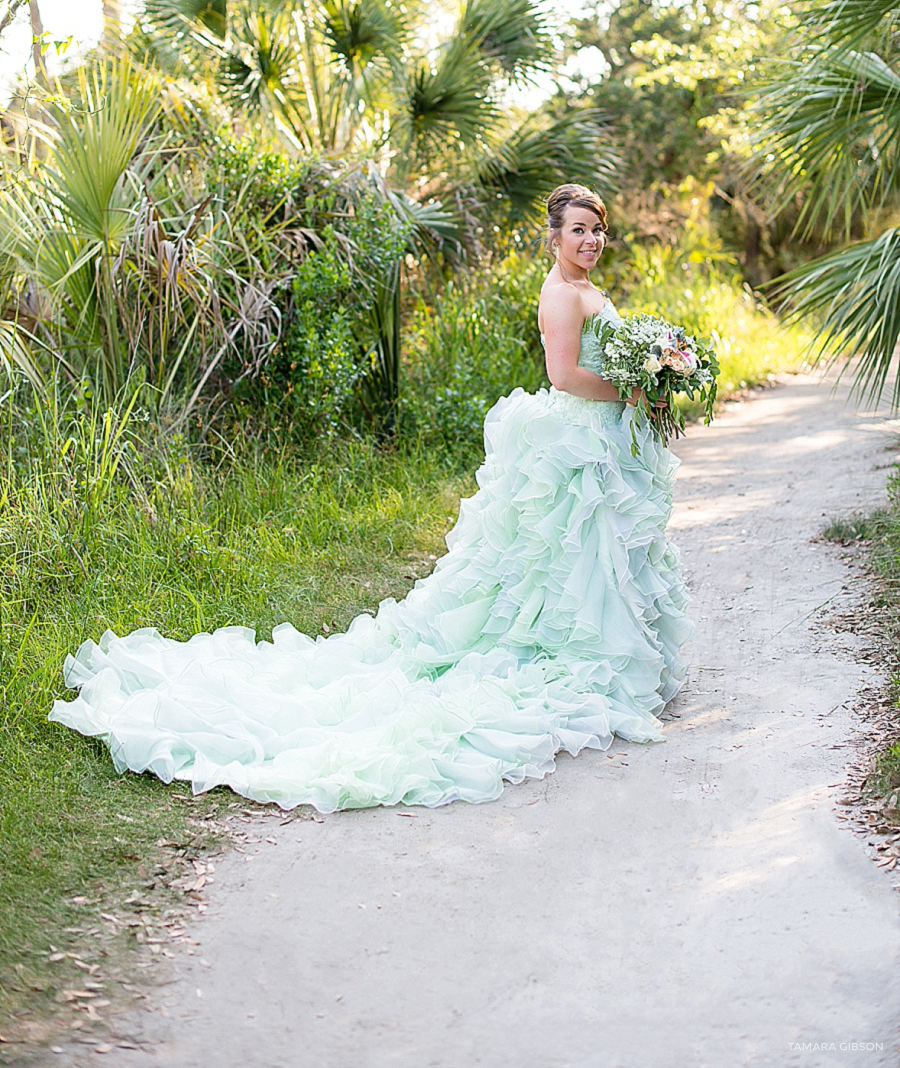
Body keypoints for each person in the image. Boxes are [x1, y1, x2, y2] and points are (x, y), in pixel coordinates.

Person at [50, 184, 693, 813]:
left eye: (597, 229)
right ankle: (571, 654)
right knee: (566, 553)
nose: (589, 240)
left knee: (595, 552)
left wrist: (649, 371)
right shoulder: (559, 294)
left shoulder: (588, 289)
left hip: (600, 439)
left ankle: (608, 650)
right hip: (576, 437)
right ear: (553, 237)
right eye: (577, 229)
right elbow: (562, 375)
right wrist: (633, 392)